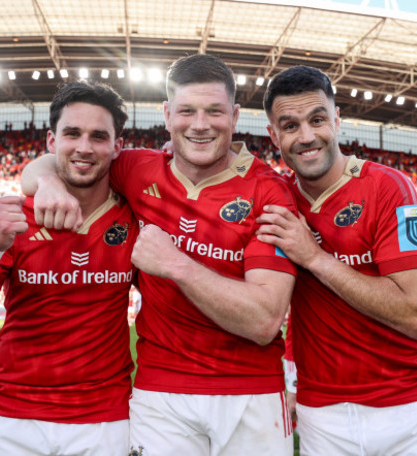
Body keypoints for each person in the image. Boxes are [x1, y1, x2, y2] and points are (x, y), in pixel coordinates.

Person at [21, 54, 297, 455]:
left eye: (214, 112)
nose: (199, 125)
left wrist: (174, 264)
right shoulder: (136, 168)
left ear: (235, 116)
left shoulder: (270, 192)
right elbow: (62, 160)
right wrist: (46, 182)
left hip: (251, 392)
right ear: (167, 114)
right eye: (187, 111)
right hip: (161, 392)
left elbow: (264, 320)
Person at [256, 65, 417, 455]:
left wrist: (314, 258)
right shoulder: (276, 197)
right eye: (289, 125)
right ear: (273, 134)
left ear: (336, 120)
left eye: (317, 119)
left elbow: (416, 315)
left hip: (409, 411)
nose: (306, 136)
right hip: (322, 417)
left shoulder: (388, 187)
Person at [0, 80, 138, 455]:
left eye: (98, 136)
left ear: (117, 147)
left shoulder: (135, 216)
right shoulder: (13, 218)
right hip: (16, 418)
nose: (83, 147)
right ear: (51, 142)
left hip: (104, 419)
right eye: (72, 133)